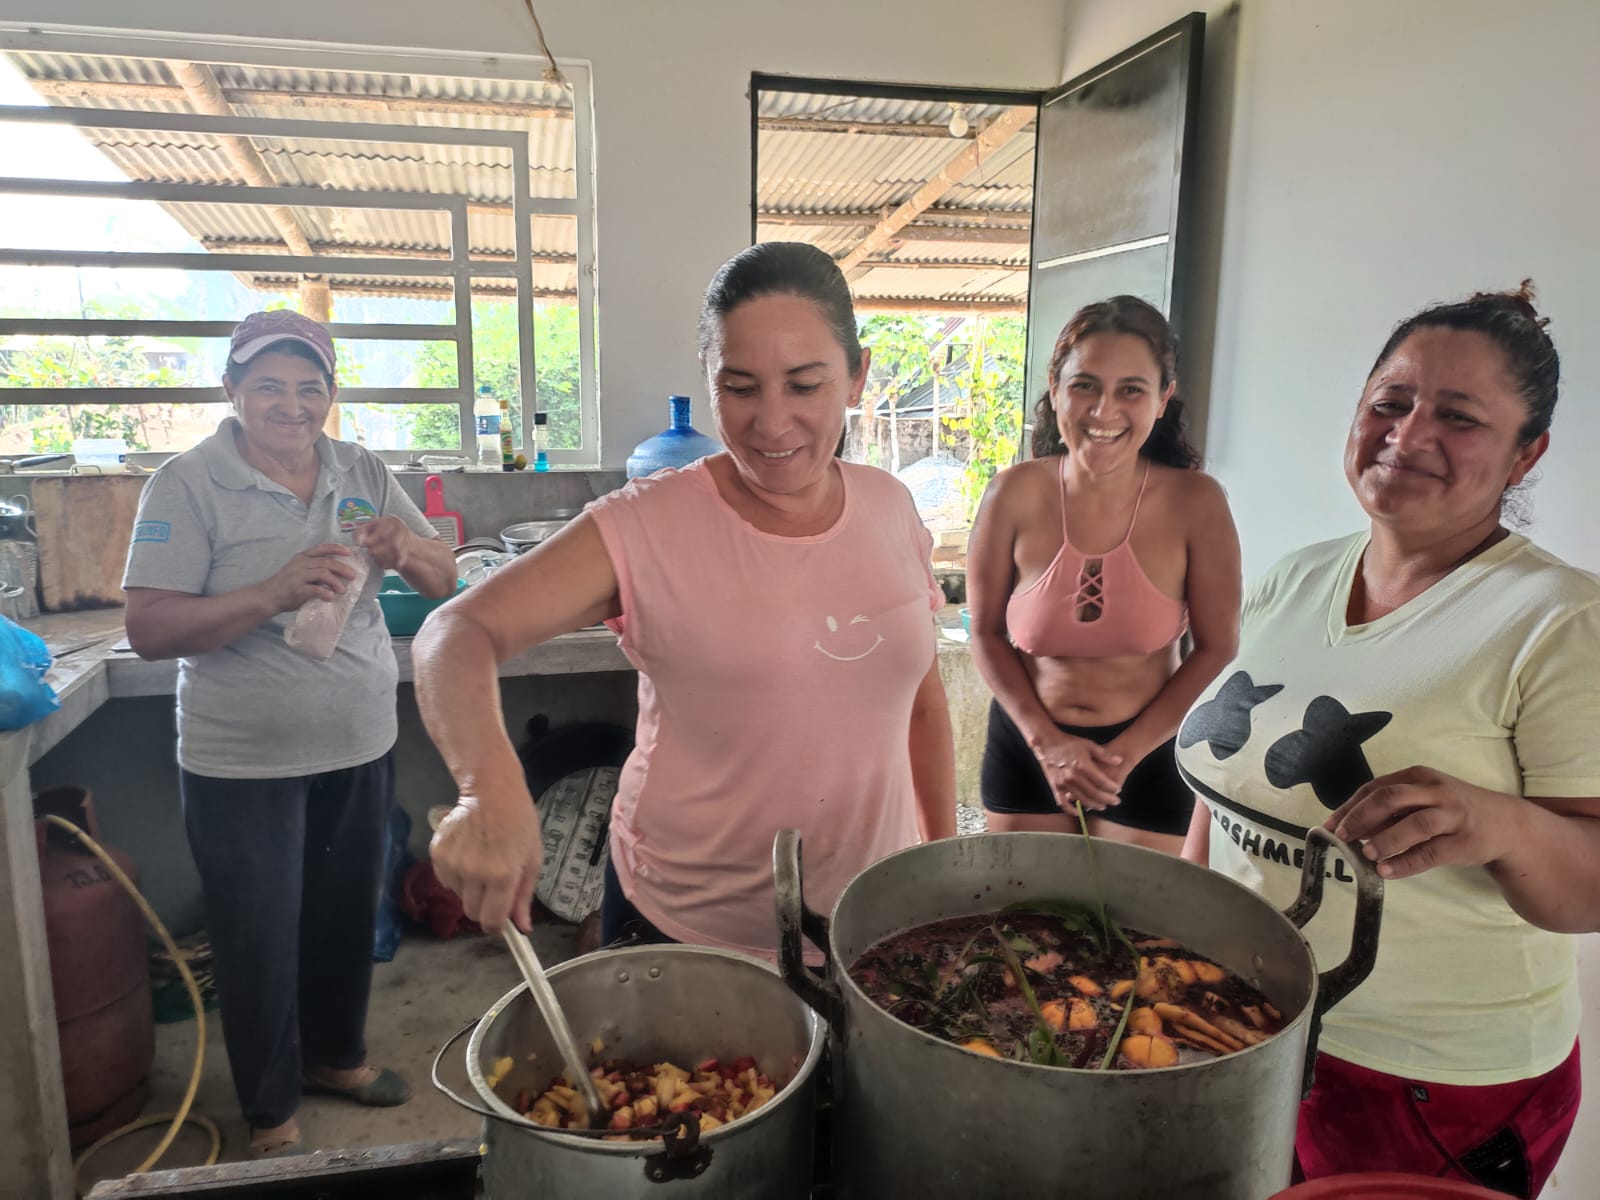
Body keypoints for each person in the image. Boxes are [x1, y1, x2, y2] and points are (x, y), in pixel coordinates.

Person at [1175, 284, 1598, 1196]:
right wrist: (1173, 938)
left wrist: (1501, 824)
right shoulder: (1297, 578)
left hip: (1428, 1083)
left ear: (1528, 453)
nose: (1407, 435)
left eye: (1459, 417)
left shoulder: (1560, 620)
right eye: (1390, 402)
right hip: (1244, 1024)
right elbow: (1227, 791)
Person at [415, 241, 956, 953]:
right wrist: (488, 786)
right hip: (684, 930)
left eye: (804, 385)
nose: (771, 422)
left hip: (868, 922)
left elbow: (922, 702)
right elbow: (455, 633)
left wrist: (940, 871)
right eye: (740, 387)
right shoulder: (648, 522)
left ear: (857, 377)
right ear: (707, 381)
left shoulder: (890, 507)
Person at [122, 309, 458, 1158]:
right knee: (258, 938)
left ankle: (337, 1059)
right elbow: (150, 628)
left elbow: (444, 576)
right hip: (242, 762)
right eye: (269, 386)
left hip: (358, 741)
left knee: (346, 919)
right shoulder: (187, 484)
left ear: (330, 394)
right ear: (231, 389)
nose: (292, 405)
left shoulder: (359, 467)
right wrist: (270, 593)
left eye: (311, 387)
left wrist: (404, 547)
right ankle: (270, 1111)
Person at [966, 296, 1240, 854]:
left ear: (1162, 399)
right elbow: (986, 633)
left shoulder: (1197, 502)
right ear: (1055, 389)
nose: (1103, 409)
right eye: (1085, 385)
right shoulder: (1012, 493)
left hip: (1149, 750)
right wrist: (1047, 745)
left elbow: (1216, 648)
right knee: (1027, 905)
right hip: (1028, 743)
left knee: (1130, 911)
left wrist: (1122, 757)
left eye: (1131, 390)